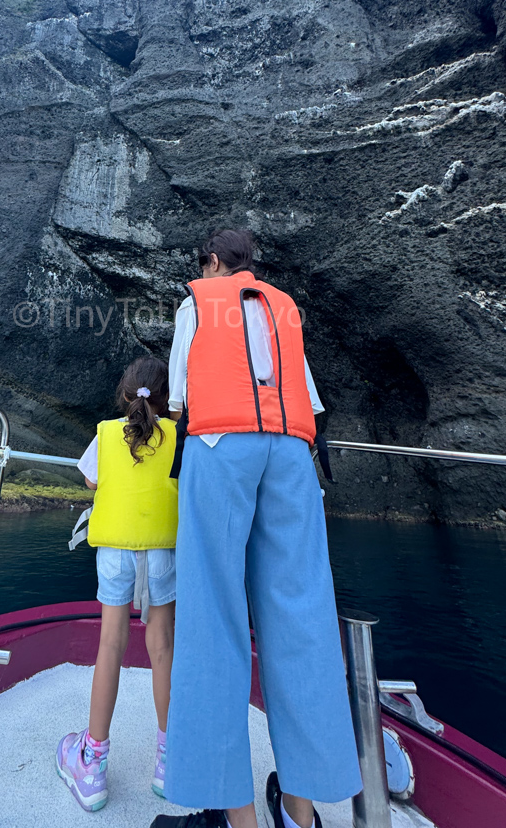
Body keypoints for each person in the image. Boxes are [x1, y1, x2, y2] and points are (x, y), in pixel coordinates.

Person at [151, 229, 361, 828]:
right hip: (293, 454)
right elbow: (311, 398)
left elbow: (181, 395)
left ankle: (238, 817)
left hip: (222, 447)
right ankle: (301, 810)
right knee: (303, 618)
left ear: (214, 263)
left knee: (213, 616)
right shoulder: (284, 308)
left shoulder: (197, 303)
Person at [57, 355, 179, 812]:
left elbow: (91, 480)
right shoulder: (177, 438)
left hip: (115, 552)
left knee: (111, 644)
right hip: (163, 550)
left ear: (124, 396)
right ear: (170, 399)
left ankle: (91, 764)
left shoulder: (107, 433)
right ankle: (169, 763)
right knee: (163, 647)